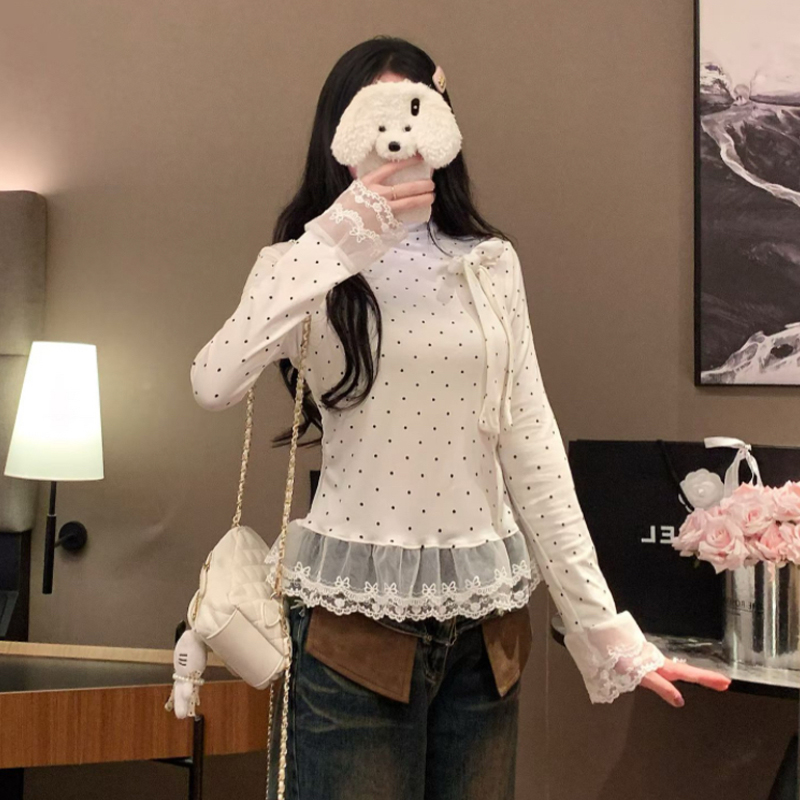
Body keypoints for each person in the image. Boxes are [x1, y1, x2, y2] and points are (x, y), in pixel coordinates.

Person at [190, 35, 731, 800]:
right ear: (338, 134)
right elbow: (213, 382)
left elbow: (531, 445)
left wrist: (604, 628)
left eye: (416, 111)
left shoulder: (487, 262)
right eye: (375, 116)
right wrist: (335, 240)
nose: (398, 139)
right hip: (352, 634)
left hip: (487, 635)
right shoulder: (304, 264)